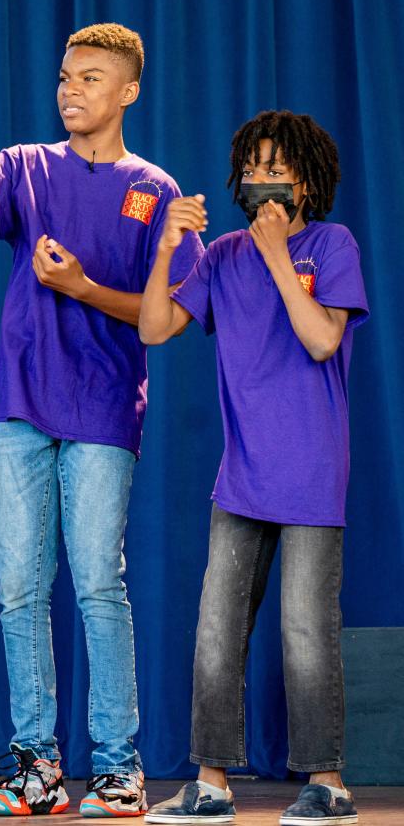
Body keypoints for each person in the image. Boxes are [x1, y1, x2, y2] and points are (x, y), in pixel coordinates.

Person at [0, 23, 203, 818]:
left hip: (102, 406)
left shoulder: (155, 189)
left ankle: (119, 767)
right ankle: (37, 767)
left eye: (90, 78)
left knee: (96, 583)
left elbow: (164, 320)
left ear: (126, 91)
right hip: (21, 403)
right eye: (63, 76)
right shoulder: (24, 165)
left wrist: (86, 287)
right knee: (19, 587)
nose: (70, 89)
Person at [139, 110, 367, 825]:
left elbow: (322, 339)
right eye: (252, 166)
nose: (262, 178)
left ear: (306, 179)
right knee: (216, 627)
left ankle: (326, 783)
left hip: (308, 470)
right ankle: (210, 784)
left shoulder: (330, 244)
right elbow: (152, 327)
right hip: (240, 475)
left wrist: (277, 256)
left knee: (304, 628)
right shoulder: (221, 254)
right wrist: (168, 244)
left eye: (277, 166)